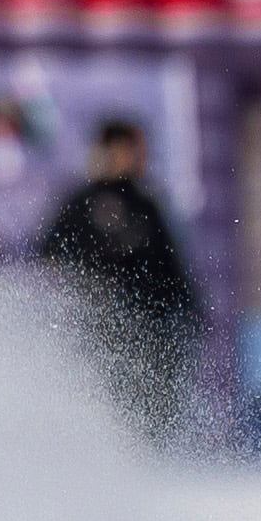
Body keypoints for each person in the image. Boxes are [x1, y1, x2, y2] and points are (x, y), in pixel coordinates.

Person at [32, 116, 206, 438]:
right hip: (100, 328)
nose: (137, 158)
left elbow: (171, 267)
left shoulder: (147, 205)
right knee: (108, 408)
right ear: (107, 150)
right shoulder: (82, 202)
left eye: (138, 151)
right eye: (128, 150)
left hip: (150, 328)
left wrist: (190, 308)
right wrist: (90, 286)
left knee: (153, 413)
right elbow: (49, 256)